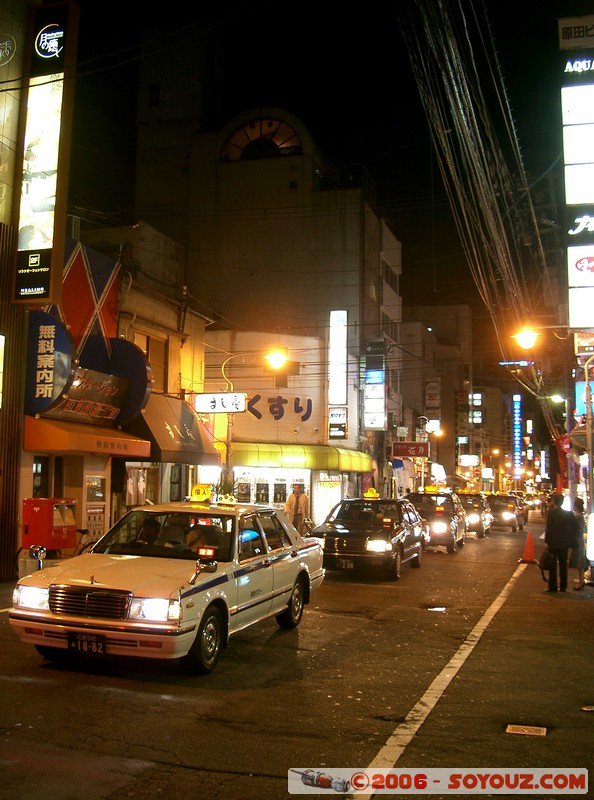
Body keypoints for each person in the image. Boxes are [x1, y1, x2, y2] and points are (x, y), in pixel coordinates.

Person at [544, 493, 579, 593]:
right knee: (563, 565)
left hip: (553, 542)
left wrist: (547, 541)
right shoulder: (569, 514)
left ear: (554, 501)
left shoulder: (551, 513)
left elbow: (549, 528)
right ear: (562, 502)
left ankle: (553, 587)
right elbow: (576, 527)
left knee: (552, 565)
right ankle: (563, 586)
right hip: (564, 543)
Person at [572, 497, 588, 591]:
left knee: (580, 562)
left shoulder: (577, 517)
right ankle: (581, 581)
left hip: (578, 541)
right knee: (580, 562)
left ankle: (581, 582)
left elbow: (579, 529)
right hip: (579, 540)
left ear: (576, 506)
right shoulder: (580, 516)